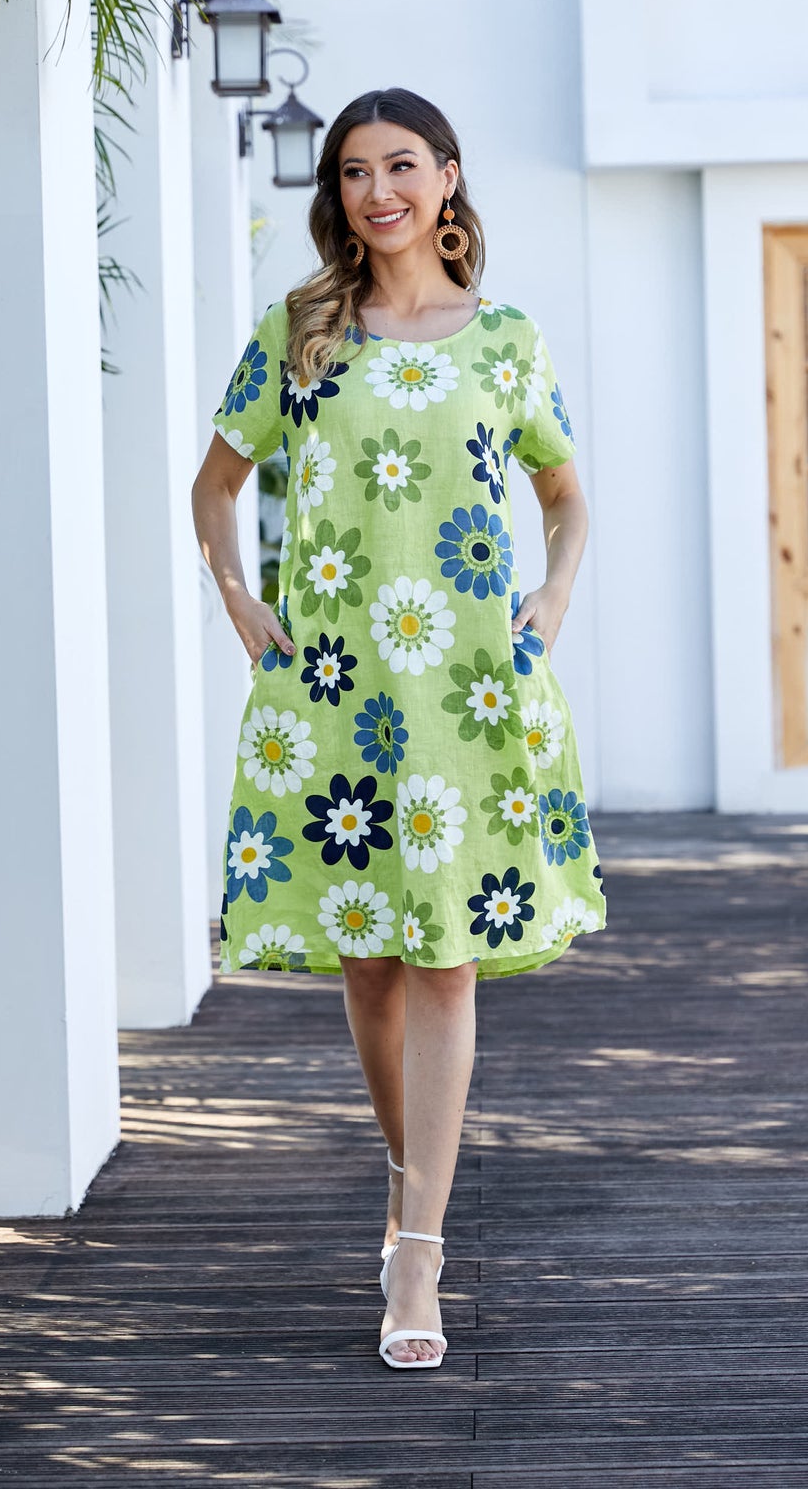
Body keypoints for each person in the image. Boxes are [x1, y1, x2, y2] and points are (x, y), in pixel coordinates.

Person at [192, 87, 606, 1369]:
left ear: (448, 178)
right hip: (334, 684)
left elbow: (565, 496)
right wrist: (238, 598)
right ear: (339, 193)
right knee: (369, 963)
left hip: (470, 686)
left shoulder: (507, 340)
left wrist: (552, 595)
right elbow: (214, 485)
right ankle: (407, 1176)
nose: (380, 191)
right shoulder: (301, 332)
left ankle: (415, 1254)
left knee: (445, 960)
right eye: (356, 172)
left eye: (403, 166)